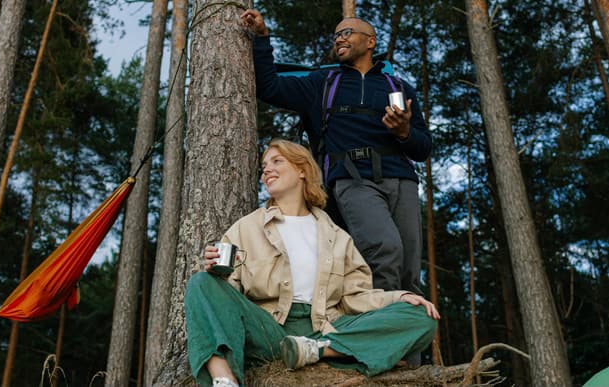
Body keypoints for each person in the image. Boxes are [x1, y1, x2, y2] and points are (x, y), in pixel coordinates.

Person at [184, 139, 438, 387]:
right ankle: (224, 379)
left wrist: (398, 298)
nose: (266, 170)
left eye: (276, 161)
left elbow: (356, 297)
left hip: (326, 329)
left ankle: (317, 351)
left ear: (302, 170)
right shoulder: (246, 228)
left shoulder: (337, 237)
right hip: (269, 330)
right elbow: (226, 300)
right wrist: (217, 272)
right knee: (201, 282)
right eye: (264, 166)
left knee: (422, 316)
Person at [239, 10, 432, 296]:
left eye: (347, 33)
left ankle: (413, 336)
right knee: (384, 250)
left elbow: (423, 149)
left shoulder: (400, 88)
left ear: (370, 42)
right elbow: (268, 87)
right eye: (336, 35)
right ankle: (379, 328)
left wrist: (404, 131)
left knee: (408, 269)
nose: (339, 39)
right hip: (352, 179)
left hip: (402, 180)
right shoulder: (322, 83)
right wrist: (262, 38)